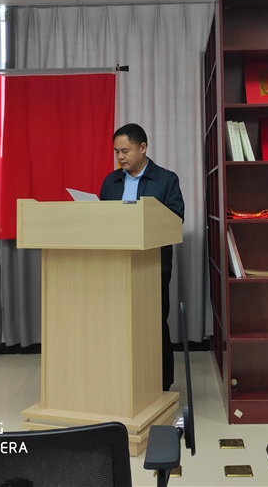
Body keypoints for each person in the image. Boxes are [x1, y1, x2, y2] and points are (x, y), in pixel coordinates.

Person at [100, 123, 184, 391]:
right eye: (116, 152)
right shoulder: (110, 182)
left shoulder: (166, 180)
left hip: (153, 266)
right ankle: (120, 379)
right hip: (116, 265)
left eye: (125, 151)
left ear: (143, 148)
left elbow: (175, 219)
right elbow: (101, 220)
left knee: (153, 324)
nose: (120, 157)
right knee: (118, 323)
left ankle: (160, 383)